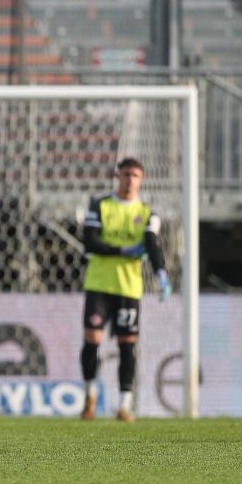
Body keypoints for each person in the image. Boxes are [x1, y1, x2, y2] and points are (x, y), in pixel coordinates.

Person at [79, 157, 172, 422]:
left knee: (127, 346)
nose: (130, 180)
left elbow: (152, 245)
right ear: (117, 176)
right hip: (99, 284)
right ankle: (90, 397)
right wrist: (122, 250)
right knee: (92, 340)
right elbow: (90, 242)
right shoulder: (100, 206)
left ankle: (124, 406)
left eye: (135, 176)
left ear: (141, 180)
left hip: (129, 288)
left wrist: (161, 273)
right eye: (126, 174)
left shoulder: (147, 214)